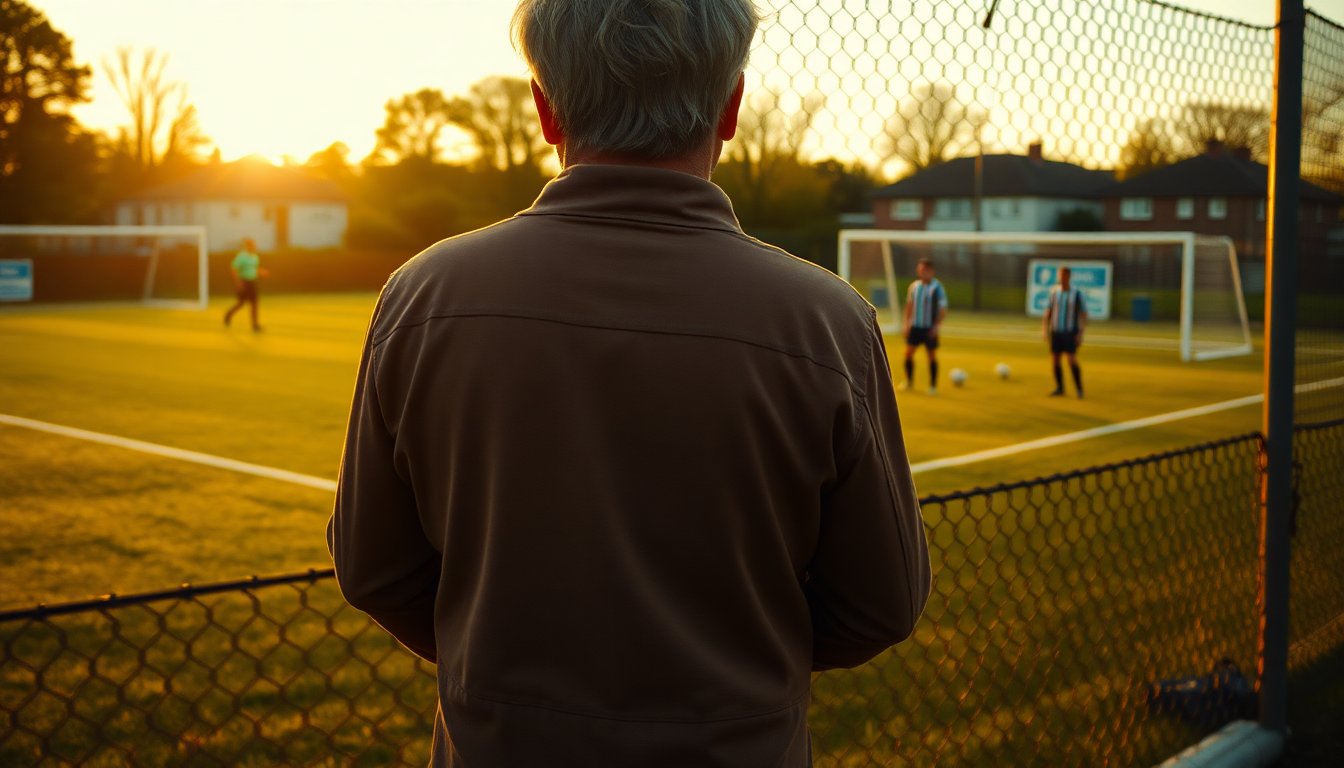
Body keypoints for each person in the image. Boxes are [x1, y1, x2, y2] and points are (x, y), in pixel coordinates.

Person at [328, 2, 930, 766]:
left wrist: (511, 676)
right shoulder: (828, 323)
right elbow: (881, 604)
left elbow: (374, 568)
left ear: (546, 109)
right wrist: (727, 674)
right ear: (732, 107)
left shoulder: (423, 298)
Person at [899, 258, 948, 394]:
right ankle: (909, 382)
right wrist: (906, 324)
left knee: (931, 355)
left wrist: (936, 326)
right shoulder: (914, 287)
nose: (923, 273)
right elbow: (909, 306)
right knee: (908, 353)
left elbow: (943, 310)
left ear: (931, 272)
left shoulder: (937, 288)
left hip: (930, 327)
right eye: (920, 270)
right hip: (915, 326)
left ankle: (932, 386)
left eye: (925, 270)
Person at [1044, 265, 1087, 398]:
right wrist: (1045, 330)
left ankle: (1079, 389)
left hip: (1070, 331)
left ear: (1068, 276)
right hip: (1056, 330)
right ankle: (1060, 388)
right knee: (1055, 359)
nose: (1061, 278)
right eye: (1059, 275)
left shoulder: (1076, 294)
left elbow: (1083, 314)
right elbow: (1048, 312)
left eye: (1063, 275)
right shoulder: (1054, 292)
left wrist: (1080, 333)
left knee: (1071, 359)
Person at [223, 237, 265, 331]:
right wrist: (238, 283)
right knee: (241, 304)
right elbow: (234, 269)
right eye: (253, 246)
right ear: (248, 246)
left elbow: (254, 268)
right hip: (243, 282)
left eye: (255, 245)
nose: (255, 247)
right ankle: (228, 315)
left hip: (252, 282)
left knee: (255, 303)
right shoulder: (241, 256)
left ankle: (255, 325)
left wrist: (261, 272)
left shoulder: (255, 256)